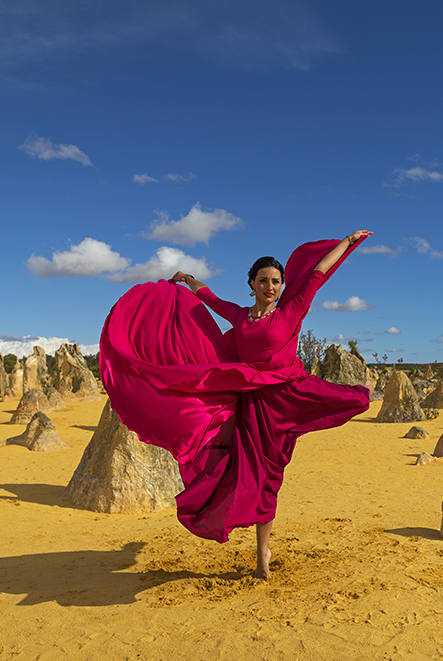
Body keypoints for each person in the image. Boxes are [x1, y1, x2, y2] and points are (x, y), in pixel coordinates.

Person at [99, 230, 373, 579]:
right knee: (253, 475)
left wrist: (347, 243)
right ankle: (262, 555)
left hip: (288, 396)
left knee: (274, 471)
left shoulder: (290, 310)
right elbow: (209, 298)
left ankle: (262, 554)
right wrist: (186, 280)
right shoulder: (241, 317)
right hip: (252, 405)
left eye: (276, 281)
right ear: (252, 284)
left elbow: (318, 273)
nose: (270, 287)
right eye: (263, 281)